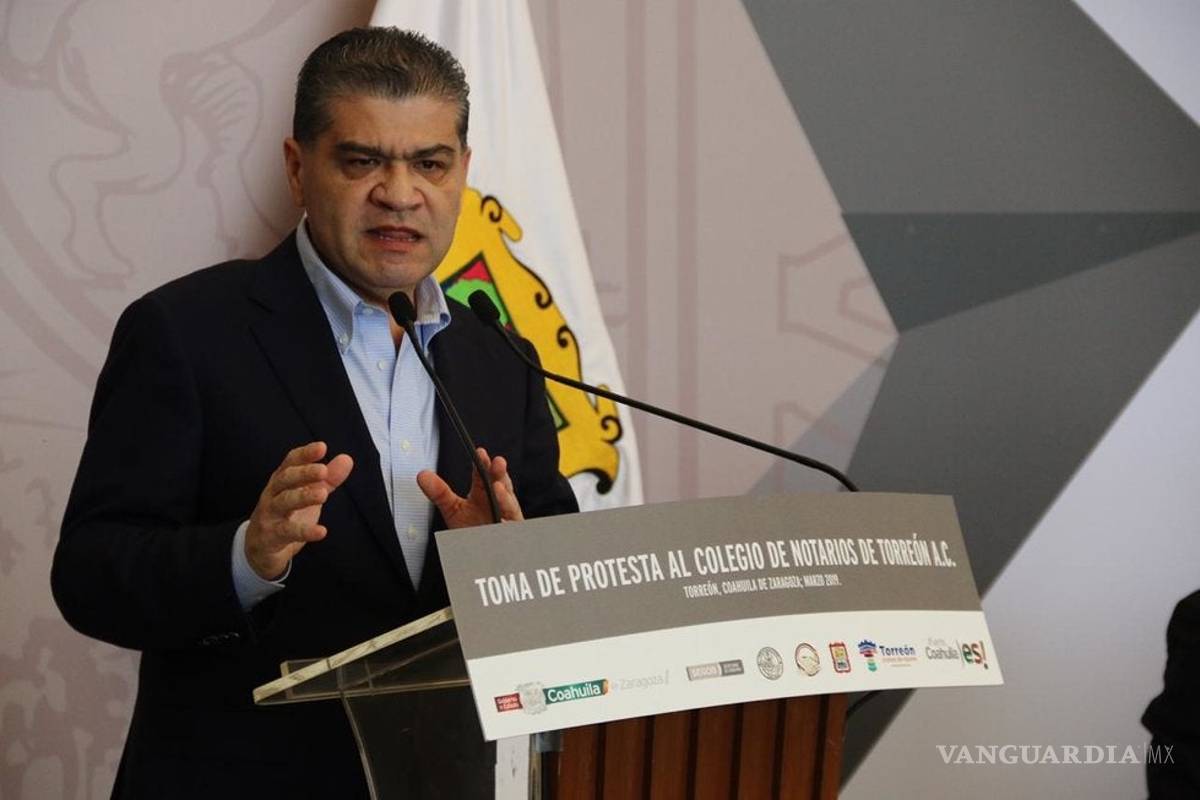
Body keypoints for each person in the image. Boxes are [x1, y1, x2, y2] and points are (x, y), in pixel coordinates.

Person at [51, 27, 577, 798]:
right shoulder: (186, 333)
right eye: (362, 161)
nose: (400, 194)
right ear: (299, 170)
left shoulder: (500, 359)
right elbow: (90, 574)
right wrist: (246, 556)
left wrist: (501, 568)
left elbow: (556, 568)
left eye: (430, 164)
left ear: (463, 172)